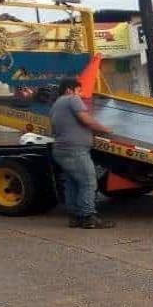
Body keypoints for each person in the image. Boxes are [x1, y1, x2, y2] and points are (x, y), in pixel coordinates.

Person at [49, 78, 115, 229]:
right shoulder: (72, 99)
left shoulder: (55, 106)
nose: (80, 94)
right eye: (78, 90)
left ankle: (75, 217)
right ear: (69, 90)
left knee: (72, 184)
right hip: (75, 150)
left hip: (61, 150)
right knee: (88, 182)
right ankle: (88, 217)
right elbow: (86, 120)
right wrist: (106, 129)